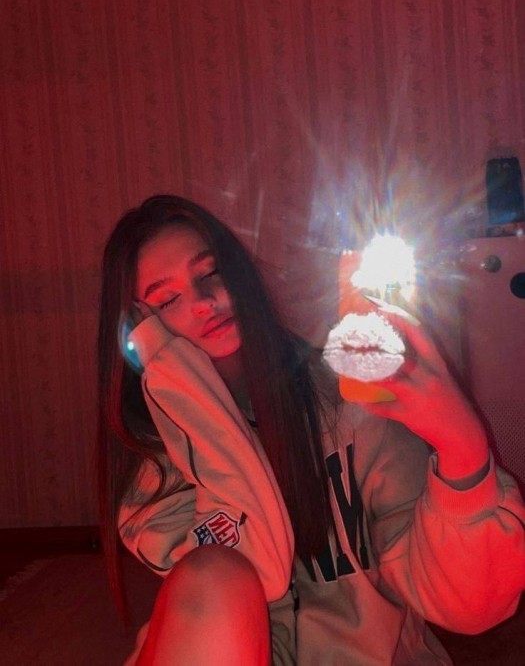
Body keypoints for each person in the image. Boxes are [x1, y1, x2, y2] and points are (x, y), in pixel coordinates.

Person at [98, 194, 525, 665]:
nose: (203, 303)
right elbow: (253, 571)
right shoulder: (152, 471)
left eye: (212, 272)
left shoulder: (350, 402)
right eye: (167, 300)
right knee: (214, 572)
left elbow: (470, 607)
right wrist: (186, 389)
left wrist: (463, 448)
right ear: (140, 332)